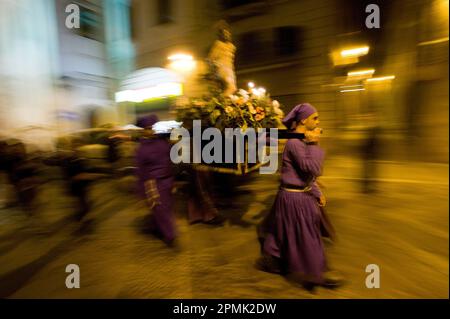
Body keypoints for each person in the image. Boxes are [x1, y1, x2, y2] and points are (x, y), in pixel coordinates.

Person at [257, 103, 343, 290]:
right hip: (294, 200)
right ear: (303, 120)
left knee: (290, 234)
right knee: (307, 236)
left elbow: (307, 176)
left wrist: (317, 192)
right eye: (315, 118)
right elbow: (313, 168)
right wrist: (313, 144)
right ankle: (315, 273)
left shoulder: (300, 141)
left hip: (299, 196)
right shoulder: (295, 143)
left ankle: (274, 260)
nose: (319, 122)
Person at [135, 115, 177, 246]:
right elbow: (141, 171)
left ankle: (159, 229)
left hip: (167, 180)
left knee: (166, 209)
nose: (150, 130)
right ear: (142, 130)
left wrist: (173, 181)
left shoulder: (162, 143)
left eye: (151, 128)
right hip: (154, 184)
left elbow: (170, 161)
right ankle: (170, 235)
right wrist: (142, 192)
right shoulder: (141, 150)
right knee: (160, 209)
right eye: (147, 128)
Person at [207, 20, 237, 96]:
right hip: (223, 68)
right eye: (225, 33)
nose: (227, 35)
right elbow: (210, 58)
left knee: (233, 88)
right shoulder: (218, 44)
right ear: (221, 35)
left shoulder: (231, 46)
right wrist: (215, 67)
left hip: (230, 69)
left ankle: (225, 101)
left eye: (228, 33)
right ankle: (223, 101)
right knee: (230, 86)